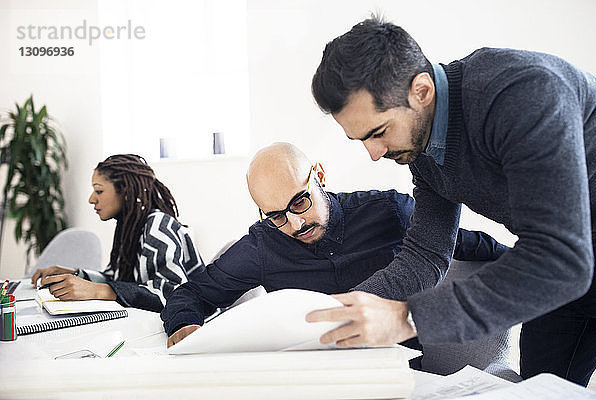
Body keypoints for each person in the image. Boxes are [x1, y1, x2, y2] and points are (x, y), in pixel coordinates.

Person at [309, 16, 596, 386]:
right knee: (541, 391)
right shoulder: (424, 150)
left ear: (421, 90)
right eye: (360, 139)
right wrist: (342, 314)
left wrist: (404, 319)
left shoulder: (521, 93)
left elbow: (561, 258)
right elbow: (425, 256)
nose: (373, 152)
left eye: (378, 132)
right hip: (562, 276)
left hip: (562, 260)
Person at [162, 143, 509, 373]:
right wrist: (183, 323)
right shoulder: (260, 246)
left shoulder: (389, 211)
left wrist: (535, 265)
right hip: (312, 378)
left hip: (395, 372)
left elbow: (467, 244)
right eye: (276, 215)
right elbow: (192, 293)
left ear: (320, 176)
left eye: (299, 202)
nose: (295, 224)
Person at [31, 154, 205, 312]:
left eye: (99, 190)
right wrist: (74, 274)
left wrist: (98, 290)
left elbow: (173, 293)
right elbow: (115, 277)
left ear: (126, 193)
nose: (91, 199)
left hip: (193, 328)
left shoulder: (158, 225)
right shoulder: (130, 227)